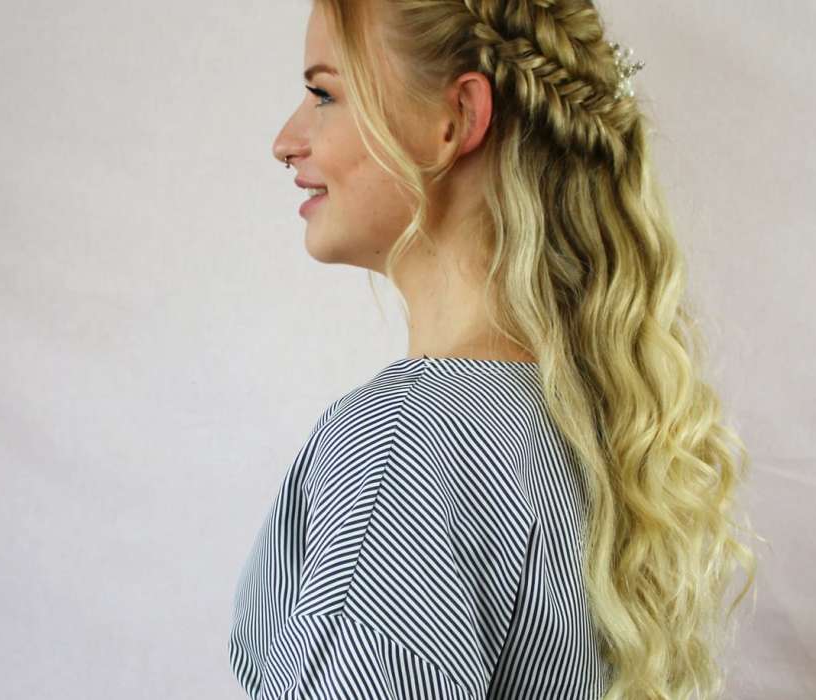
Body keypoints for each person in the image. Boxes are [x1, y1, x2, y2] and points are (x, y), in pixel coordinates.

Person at [229, 1, 761, 698]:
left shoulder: (403, 451)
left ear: (457, 119)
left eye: (325, 94)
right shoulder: (593, 421)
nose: (286, 141)